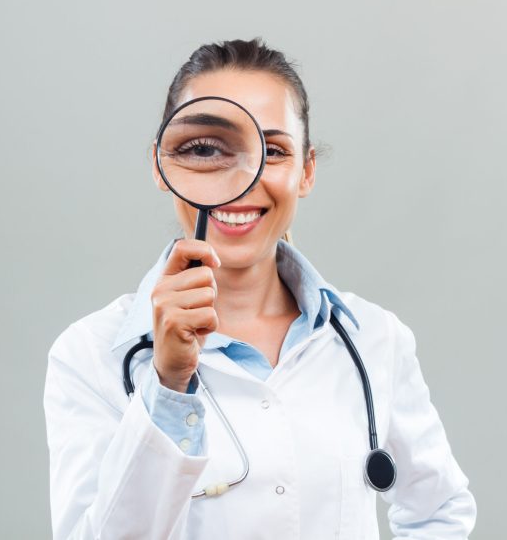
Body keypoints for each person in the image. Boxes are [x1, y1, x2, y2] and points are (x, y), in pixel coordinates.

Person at [44, 38, 477, 539]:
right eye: (204, 149)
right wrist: (166, 384)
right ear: (164, 167)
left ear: (306, 171)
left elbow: (440, 512)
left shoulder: (377, 339)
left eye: (272, 151)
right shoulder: (88, 355)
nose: (243, 179)